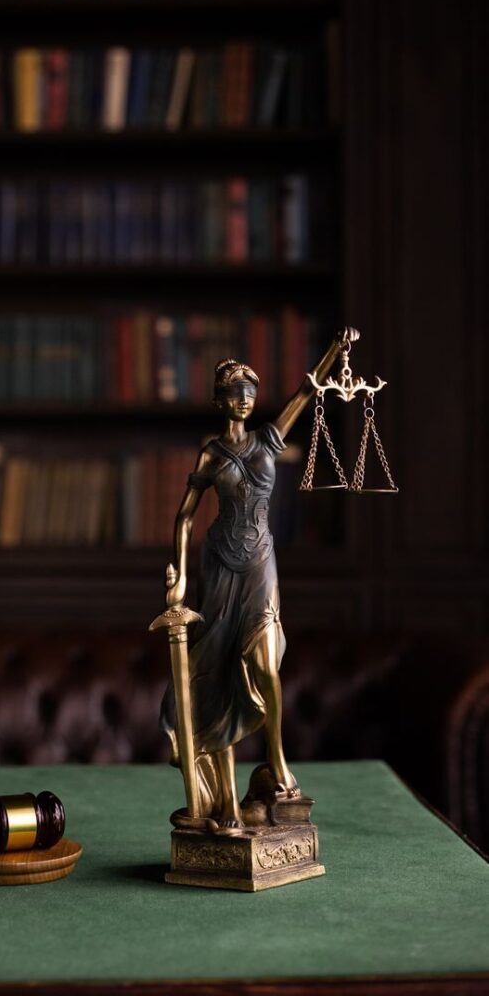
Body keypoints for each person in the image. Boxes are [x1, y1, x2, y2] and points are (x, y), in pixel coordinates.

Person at [160, 326, 359, 832]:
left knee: (266, 665)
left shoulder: (270, 438)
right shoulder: (210, 454)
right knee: (222, 672)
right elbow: (185, 515)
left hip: (261, 565)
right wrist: (179, 572)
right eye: (234, 394)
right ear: (218, 400)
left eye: (249, 393)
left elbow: (308, 389)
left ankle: (278, 760)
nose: (244, 401)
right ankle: (224, 798)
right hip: (219, 565)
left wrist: (338, 349)